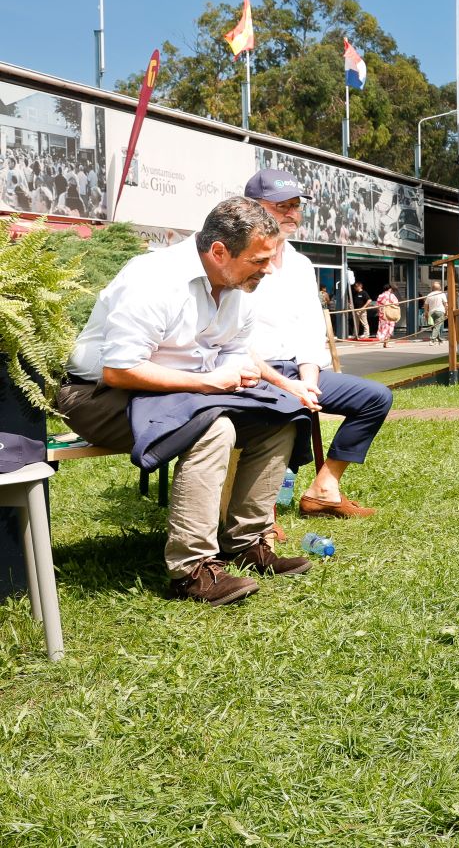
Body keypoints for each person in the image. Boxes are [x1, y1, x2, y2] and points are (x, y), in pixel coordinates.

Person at [54, 197, 312, 606]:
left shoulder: (238, 286)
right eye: (259, 260)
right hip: (97, 395)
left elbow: (232, 351)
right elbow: (119, 370)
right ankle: (191, 571)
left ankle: (246, 541)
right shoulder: (154, 279)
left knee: (280, 416)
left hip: (183, 392)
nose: (267, 269)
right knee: (213, 426)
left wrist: (234, 374)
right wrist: (208, 384)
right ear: (219, 252)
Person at [241, 169, 390, 520]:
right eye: (281, 206)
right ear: (252, 209)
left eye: (295, 205)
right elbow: (230, 338)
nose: (292, 213)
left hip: (298, 368)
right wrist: (285, 385)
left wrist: (308, 378)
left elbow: (310, 332)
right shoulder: (237, 259)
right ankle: (260, 515)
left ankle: (324, 487)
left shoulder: (301, 264)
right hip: (253, 371)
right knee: (285, 410)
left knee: (375, 398)